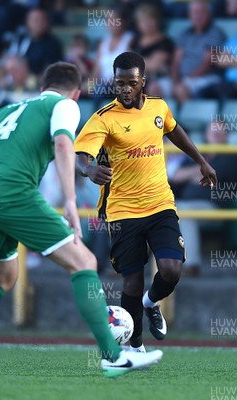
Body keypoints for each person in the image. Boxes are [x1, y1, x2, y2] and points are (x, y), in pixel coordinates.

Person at [0, 61, 163, 382]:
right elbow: (64, 143)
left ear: (40, 88)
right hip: (13, 193)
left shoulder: (7, 109)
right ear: (76, 93)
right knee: (84, 262)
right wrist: (69, 200)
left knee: (3, 279)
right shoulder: (65, 105)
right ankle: (113, 356)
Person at [75, 52, 217, 352]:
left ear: (143, 82)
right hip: (123, 210)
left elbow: (174, 130)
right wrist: (88, 169)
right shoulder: (104, 118)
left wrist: (201, 161)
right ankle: (135, 347)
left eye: (131, 83)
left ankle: (150, 303)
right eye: (119, 83)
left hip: (160, 204)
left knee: (171, 269)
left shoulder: (158, 107)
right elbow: (81, 154)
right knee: (131, 283)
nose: (125, 89)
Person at [170, 122, 237, 275]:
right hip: (187, 202)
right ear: (206, 134)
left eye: (220, 131)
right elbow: (176, 176)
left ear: (227, 136)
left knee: (182, 211)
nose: (216, 134)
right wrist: (197, 172)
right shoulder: (199, 155)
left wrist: (192, 174)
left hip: (214, 207)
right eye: (212, 131)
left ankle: (191, 265)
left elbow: (209, 176)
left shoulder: (231, 155)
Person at [130, 3, 174, 97]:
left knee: (152, 88)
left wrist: (134, 61)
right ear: (138, 24)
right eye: (143, 20)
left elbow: (155, 66)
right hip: (139, 79)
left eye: (150, 19)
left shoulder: (165, 42)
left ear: (157, 20)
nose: (147, 23)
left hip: (161, 80)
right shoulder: (134, 42)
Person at [5, 7, 64, 77]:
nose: (39, 23)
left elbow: (51, 71)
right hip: (17, 81)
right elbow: (9, 61)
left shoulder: (53, 44)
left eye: (42, 20)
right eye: (36, 20)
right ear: (27, 22)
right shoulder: (21, 40)